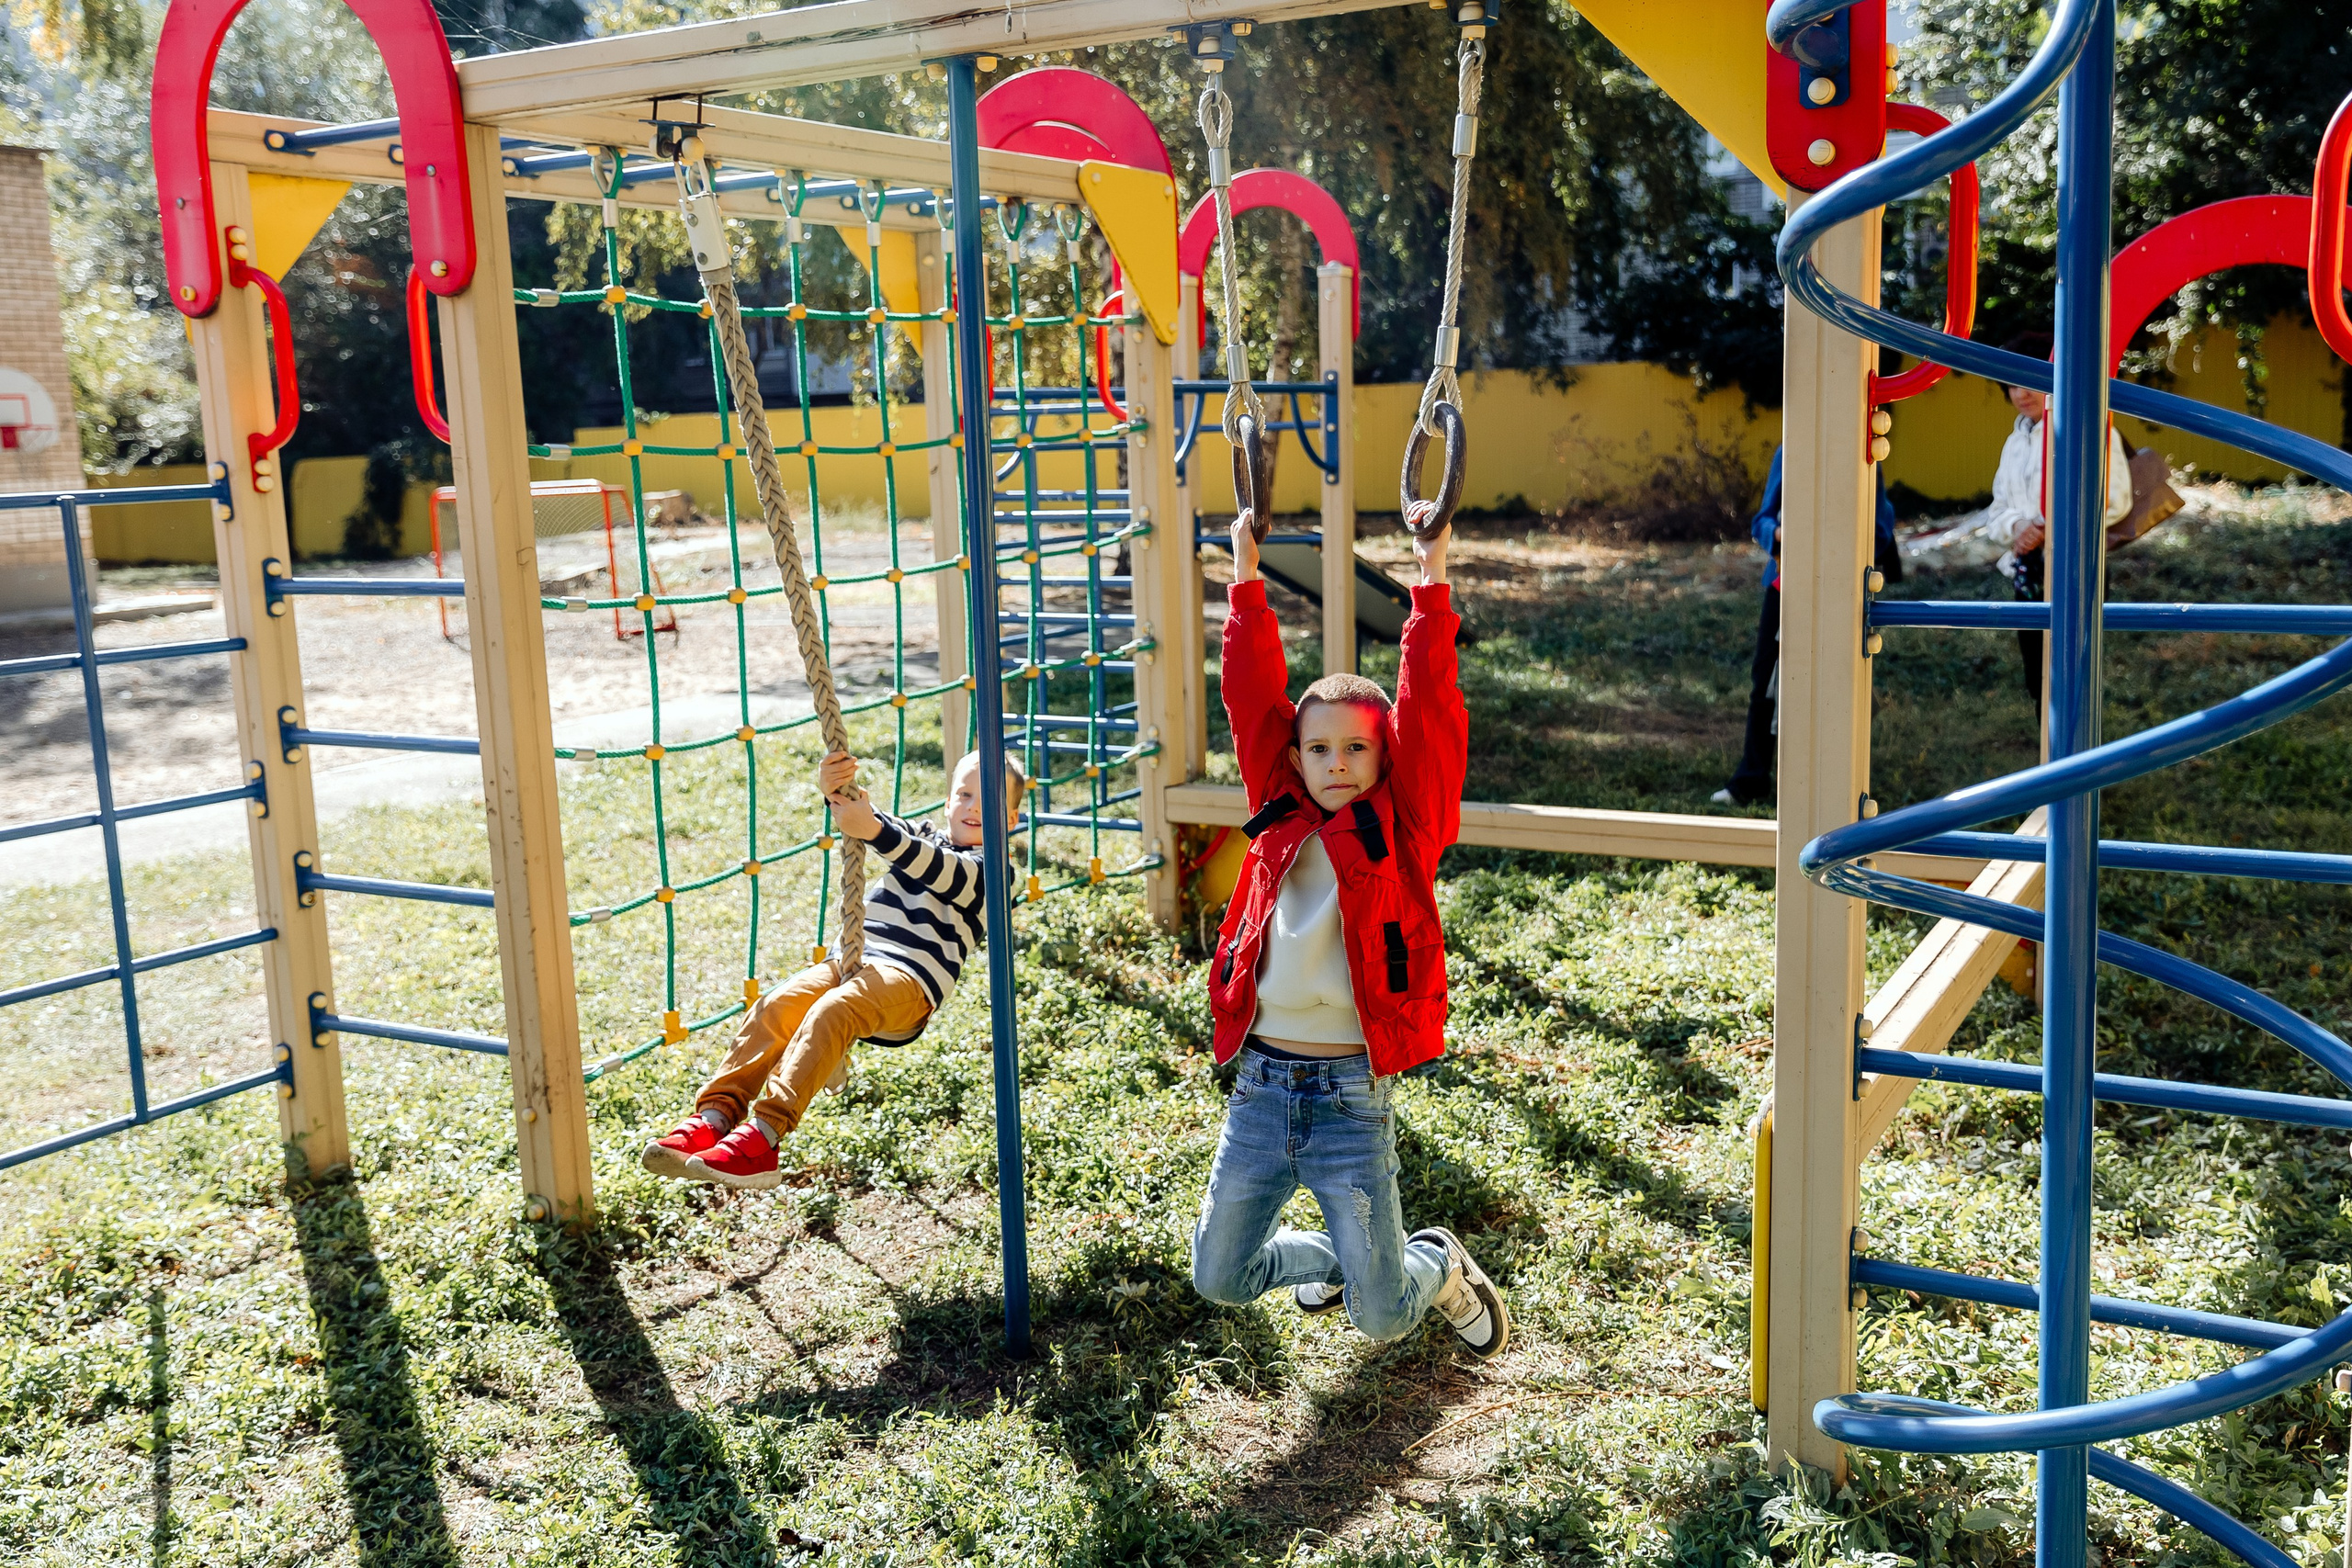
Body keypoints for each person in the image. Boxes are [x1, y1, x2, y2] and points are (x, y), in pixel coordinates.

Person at [1188, 504, 1509, 1359]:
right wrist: (1246, 581)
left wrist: (1430, 582)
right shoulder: (1280, 806)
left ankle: (1433, 1266)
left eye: (1358, 750)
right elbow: (1253, 697)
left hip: (1349, 1099)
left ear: (1384, 759)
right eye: (1320, 749)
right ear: (1295, 759)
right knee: (1218, 1275)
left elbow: (1432, 709)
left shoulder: (1406, 828)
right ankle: (1339, 1258)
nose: (1337, 764)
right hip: (1259, 1089)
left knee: (1379, 1314)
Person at [640, 746, 1025, 1190]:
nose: (973, 807)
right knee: (777, 1005)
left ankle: (764, 1139)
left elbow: (935, 867)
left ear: (1011, 820)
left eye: (989, 800)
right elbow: (875, 821)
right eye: (964, 795)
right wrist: (838, 794)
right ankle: (714, 1117)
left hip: (909, 984)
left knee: (833, 1010)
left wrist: (877, 831)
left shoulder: (995, 872)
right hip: (854, 962)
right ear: (947, 803)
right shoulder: (920, 835)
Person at [1713, 446, 1901, 807]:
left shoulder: (1863, 450)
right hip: (1785, 582)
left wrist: (1844, 547)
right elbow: (1762, 521)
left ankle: (1837, 786)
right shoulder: (1790, 448)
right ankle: (1749, 780)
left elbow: (1880, 528)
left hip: (1839, 586)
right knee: (1765, 680)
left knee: (1838, 680)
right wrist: (1780, 534)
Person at [1981, 331, 2132, 705]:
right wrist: (2018, 527)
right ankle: (2050, 759)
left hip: (2075, 570)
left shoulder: (2086, 426)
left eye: (2030, 381)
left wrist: (2045, 526)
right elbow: (1996, 512)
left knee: (2072, 679)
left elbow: (2114, 499)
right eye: (2011, 385)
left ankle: (2080, 758)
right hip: (2027, 574)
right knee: (2037, 678)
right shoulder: (2014, 442)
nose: (2021, 393)